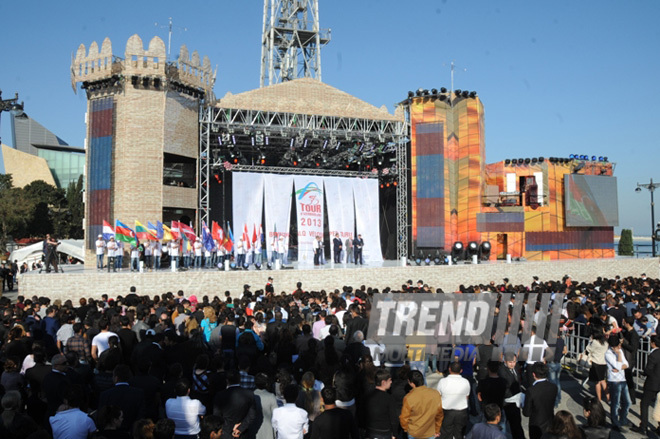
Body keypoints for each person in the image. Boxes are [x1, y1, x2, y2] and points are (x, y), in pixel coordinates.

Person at [399, 369, 443, 439]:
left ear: (411, 383)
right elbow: (439, 414)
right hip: (430, 432)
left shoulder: (409, 397)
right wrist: (437, 429)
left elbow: (404, 418)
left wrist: (406, 429)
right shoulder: (435, 393)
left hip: (414, 432)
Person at [213, 369, 256, 439]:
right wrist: (240, 428)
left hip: (225, 432)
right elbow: (252, 415)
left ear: (227, 380)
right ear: (239, 380)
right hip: (242, 433)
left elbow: (217, 416)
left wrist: (227, 428)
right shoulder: (249, 394)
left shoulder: (220, 395)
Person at [523, 362, 558, 439]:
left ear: (534, 374)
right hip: (550, 422)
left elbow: (526, 413)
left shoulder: (531, 391)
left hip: (536, 425)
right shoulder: (553, 387)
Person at [634, 334, 660, 434]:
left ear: (653, 343)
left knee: (644, 404)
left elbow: (648, 369)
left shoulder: (653, 355)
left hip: (652, 383)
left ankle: (643, 426)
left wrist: (643, 372)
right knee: (659, 405)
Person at [437, 361, 470, 439]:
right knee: (459, 433)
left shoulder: (442, 382)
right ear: (461, 370)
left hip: (446, 412)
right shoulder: (466, 382)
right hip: (461, 412)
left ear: (449, 369)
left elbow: (438, 396)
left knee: (445, 433)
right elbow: (467, 397)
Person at [604, 335, 630, 431]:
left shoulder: (620, 351)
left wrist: (620, 366)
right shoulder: (608, 354)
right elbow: (618, 365)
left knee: (628, 402)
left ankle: (623, 419)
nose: (619, 347)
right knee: (616, 403)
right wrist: (619, 356)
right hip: (614, 381)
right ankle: (615, 423)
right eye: (617, 345)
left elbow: (626, 364)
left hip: (623, 379)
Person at [363, 368, 398, 439]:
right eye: (389, 380)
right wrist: (394, 434)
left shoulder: (367, 396)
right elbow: (393, 419)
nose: (391, 382)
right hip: (384, 433)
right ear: (383, 382)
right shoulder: (389, 398)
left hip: (370, 431)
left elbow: (362, 413)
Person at [499, 352, 525, 439]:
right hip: (508, 402)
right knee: (508, 425)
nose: (513, 364)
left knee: (516, 424)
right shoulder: (502, 370)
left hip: (516, 400)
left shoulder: (516, 367)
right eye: (510, 362)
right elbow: (506, 387)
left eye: (514, 361)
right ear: (505, 362)